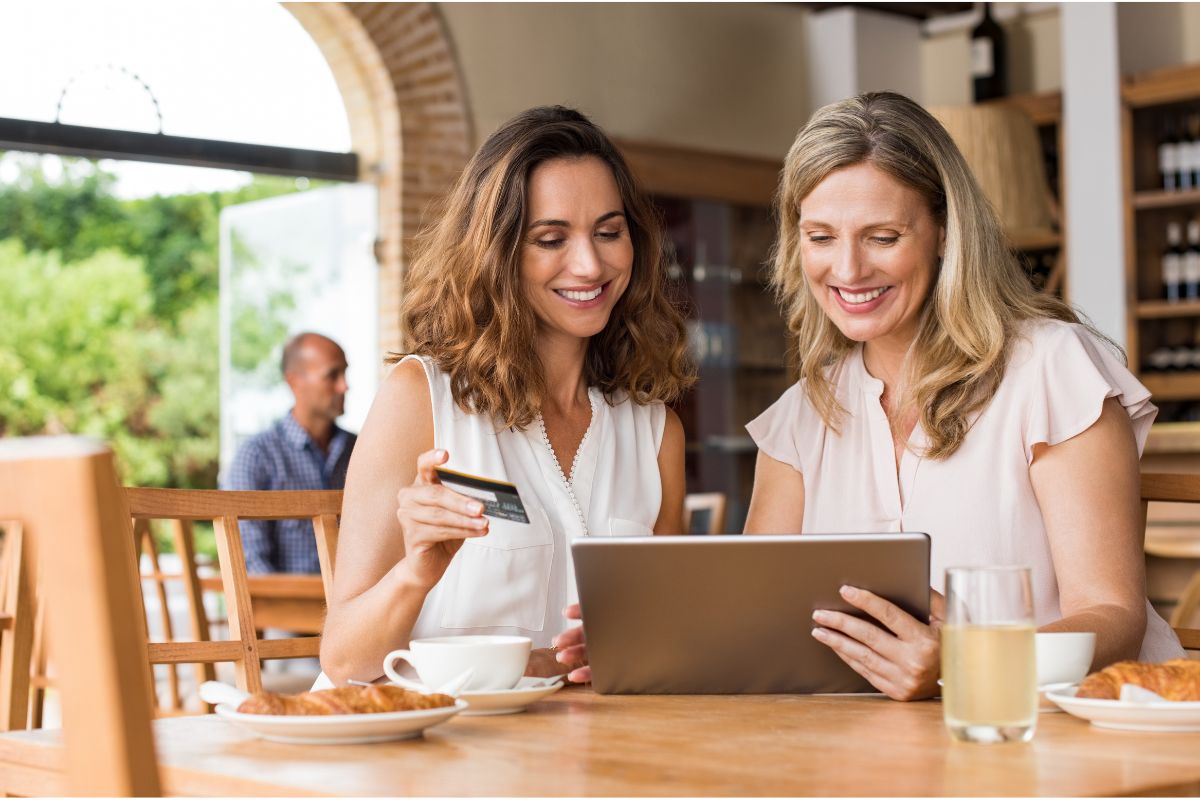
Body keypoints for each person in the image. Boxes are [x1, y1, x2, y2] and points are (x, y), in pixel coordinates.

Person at [744, 91, 1185, 701]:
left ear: (946, 232)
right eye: (821, 237)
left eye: (882, 236)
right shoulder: (801, 416)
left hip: (1060, 737)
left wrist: (967, 661)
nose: (847, 270)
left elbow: (1114, 618)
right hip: (872, 756)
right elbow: (754, 622)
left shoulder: (1051, 369)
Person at [319, 106, 694, 687]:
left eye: (608, 232)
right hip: (429, 753)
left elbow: (669, 639)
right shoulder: (421, 400)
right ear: (498, 254)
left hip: (582, 755)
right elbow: (345, 661)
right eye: (550, 238)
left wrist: (634, 648)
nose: (590, 263)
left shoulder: (655, 431)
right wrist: (417, 571)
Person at [224, 332, 355, 574]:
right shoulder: (256, 456)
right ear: (294, 382)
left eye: (345, 373)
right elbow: (250, 563)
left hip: (362, 609)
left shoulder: (361, 451)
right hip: (285, 609)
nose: (344, 385)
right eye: (332, 375)